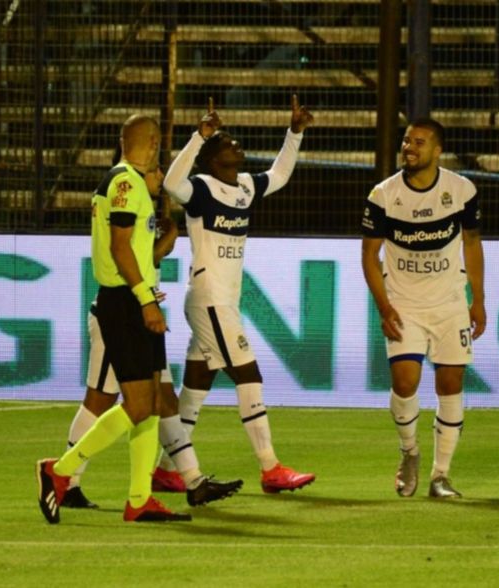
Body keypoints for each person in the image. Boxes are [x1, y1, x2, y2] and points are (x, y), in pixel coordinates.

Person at [37, 115, 237, 525]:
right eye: (157, 142)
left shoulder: (130, 185)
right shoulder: (125, 182)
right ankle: (57, 471)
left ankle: (139, 498)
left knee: (148, 404)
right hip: (126, 303)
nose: (158, 150)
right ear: (147, 141)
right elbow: (120, 248)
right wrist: (146, 299)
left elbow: (138, 251)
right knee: (136, 403)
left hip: (136, 301)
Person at [161, 95, 316, 494]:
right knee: (248, 373)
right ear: (212, 159)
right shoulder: (201, 189)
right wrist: (198, 136)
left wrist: (293, 133)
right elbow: (170, 183)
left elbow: (278, 175)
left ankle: (165, 469)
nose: (235, 145)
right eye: (226, 143)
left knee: (196, 385)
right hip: (209, 298)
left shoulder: (245, 187)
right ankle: (270, 469)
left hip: (223, 301)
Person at [361, 118, 485, 499]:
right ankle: (409, 452)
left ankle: (440, 476)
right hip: (405, 305)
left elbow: (472, 243)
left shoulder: (461, 190)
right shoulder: (383, 195)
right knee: (405, 382)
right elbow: (369, 256)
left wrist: (477, 299)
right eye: (405, 141)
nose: (408, 148)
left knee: (451, 385)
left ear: (437, 151)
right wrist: (384, 307)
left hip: (449, 303)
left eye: (418, 142)